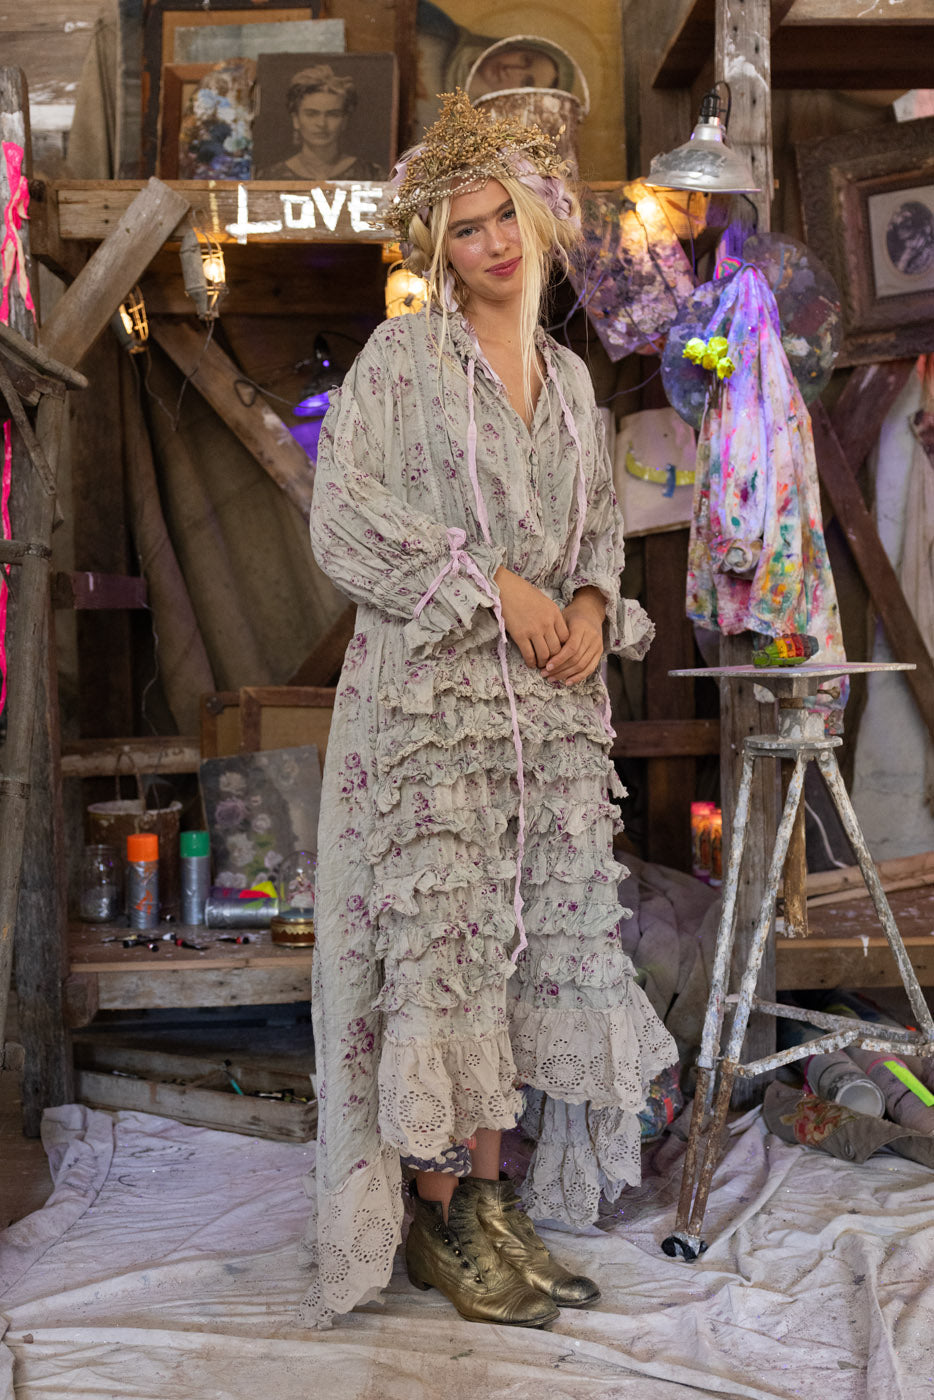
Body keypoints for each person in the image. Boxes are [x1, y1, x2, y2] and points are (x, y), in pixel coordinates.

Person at [302, 90, 677, 1330]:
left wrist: (589, 600)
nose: (492, 244)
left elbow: (597, 536)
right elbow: (342, 518)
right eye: (463, 228)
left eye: (503, 216)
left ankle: (489, 1196)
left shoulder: (570, 383)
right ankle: (435, 1212)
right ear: (439, 247)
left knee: (515, 956)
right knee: (441, 953)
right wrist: (489, 583)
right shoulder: (399, 363)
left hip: (546, 719)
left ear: (538, 217)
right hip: (433, 716)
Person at [256, 63, 382, 181]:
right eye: (311, 114)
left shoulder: (371, 175)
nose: (322, 124)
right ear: (296, 119)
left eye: (333, 114)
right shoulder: (271, 177)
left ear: (344, 120)